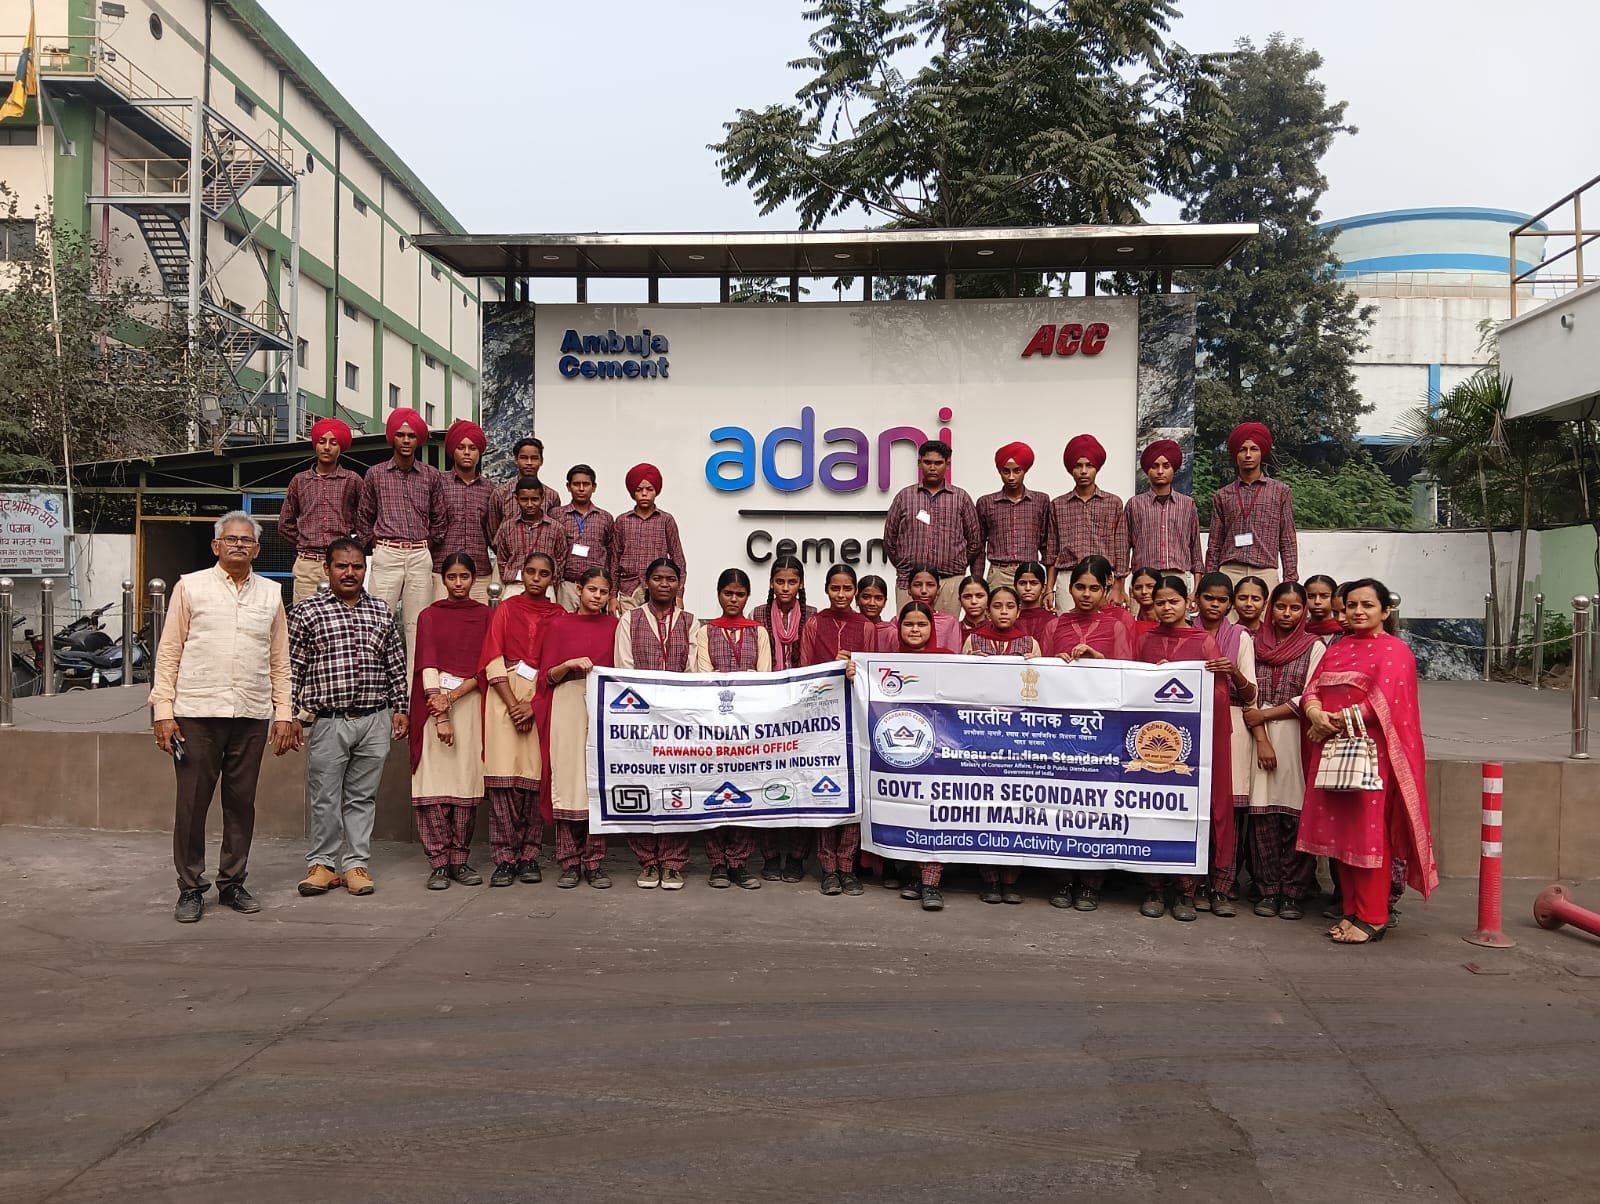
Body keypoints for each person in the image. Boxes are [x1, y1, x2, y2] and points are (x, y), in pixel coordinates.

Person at [151, 511, 299, 923]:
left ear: (256, 548)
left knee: (241, 803)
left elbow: (280, 660)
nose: (238, 545)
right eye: (230, 539)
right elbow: (168, 653)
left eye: (246, 540)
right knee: (192, 804)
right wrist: (163, 712)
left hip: (251, 713)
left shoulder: (271, 594)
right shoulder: (190, 587)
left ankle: (232, 882)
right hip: (197, 712)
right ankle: (191, 887)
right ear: (216, 546)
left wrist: (283, 713)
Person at [1298, 578, 1437, 945]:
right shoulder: (1338, 648)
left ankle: (1373, 916)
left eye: (1367, 606)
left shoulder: (1395, 651)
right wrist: (1314, 711)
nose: (1358, 612)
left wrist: (1331, 721)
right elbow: (1312, 688)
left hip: (1371, 757)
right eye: (1352, 606)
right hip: (1332, 752)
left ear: (1385, 611)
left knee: (1368, 835)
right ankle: (1352, 910)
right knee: (1341, 833)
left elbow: (1382, 703)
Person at [289, 537, 410, 899]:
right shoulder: (307, 612)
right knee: (324, 796)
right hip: (329, 720)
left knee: (362, 797)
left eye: (357, 566)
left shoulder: (381, 611)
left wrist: (400, 708)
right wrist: (290, 715)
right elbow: (293, 668)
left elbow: (396, 665)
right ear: (327, 569)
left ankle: (356, 864)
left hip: (374, 719)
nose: (350, 572)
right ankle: (322, 865)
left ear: (365, 569)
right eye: (341, 566)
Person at [1136, 576, 1235, 922]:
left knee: (1189, 813)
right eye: (1160, 602)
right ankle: (1153, 887)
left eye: (1173, 602)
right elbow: (1129, 686)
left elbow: (1218, 695)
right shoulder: (1144, 640)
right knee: (1154, 811)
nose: (1166, 608)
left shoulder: (1204, 641)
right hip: (1152, 744)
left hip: (1192, 746)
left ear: (1187, 602)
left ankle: (1186, 891)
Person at [1040, 556, 1131, 913]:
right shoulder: (1055, 625)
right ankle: (1062, 878)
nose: (1086, 594)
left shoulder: (1118, 626)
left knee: (1095, 804)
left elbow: (1129, 678)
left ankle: (1092, 883)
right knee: (1061, 802)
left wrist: (1098, 660)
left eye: (1095, 588)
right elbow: (1040, 677)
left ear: (1107, 589)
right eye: (1080, 587)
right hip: (1061, 729)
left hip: (1103, 731)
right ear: (1068, 588)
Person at [1243, 581, 1326, 919]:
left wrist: (1263, 714)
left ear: (1303, 610)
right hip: (1257, 736)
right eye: (1281, 607)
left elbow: (1311, 694)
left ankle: (1293, 892)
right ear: (1270, 609)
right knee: (1261, 814)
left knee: (1294, 813)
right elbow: (1249, 694)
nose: (1287, 614)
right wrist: (1261, 731)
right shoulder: (1252, 643)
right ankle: (1267, 889)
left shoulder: (1314, 646)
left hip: (1298, 736)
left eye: (1294, 608)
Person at [614, 557, 700, 888]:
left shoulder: (690, 621)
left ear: (679, 584)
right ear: (646, 583)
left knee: (678, 788)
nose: (664, 584)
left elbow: (692, 670)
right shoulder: (629, 620)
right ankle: (648, 861)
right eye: (658, 579)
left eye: (670, 579)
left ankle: (674, 861)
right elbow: (624, 669)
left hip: (678, 721)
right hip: (641, 721)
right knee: (645, 787)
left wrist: (676, 707)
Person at [409, 553, 490, 889]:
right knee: (434, 785)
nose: (459, 584)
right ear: (442, 579)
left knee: (464, 783)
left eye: (465, 577)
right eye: (452, 577)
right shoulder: (429, 615)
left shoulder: (486, 615)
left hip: (470, 704)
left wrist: (453, 698)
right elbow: (426, 661)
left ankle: (460, 860)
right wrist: (440, 713)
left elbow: (486, 666)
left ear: (474, 579)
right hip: (432, 706)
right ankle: (438, 862)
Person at [482, 553, 563, 887]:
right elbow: (491, 655)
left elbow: (558, 663)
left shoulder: (559, 615)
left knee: (532, 780)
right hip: (504, 697)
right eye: (530, 572)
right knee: (503, 780)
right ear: (521, 574)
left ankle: (530, 855)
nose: (535, 579)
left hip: (541, 698)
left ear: (552, 579)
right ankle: (504, 858)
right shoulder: (506, 609)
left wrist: (534, 704)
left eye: (544, 574)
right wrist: (514, 702)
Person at [537, 565, 619, 889]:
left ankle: (595, 862)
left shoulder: (615, 626)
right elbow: (547, 676)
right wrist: (569, 663)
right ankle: (569, 862)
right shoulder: (558, 626)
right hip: (567, 703)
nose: (597, 596)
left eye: (603, 591)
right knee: (568, 778)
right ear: (579, 590)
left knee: (596, 781)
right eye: (592, 590)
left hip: (602, 706)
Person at [692, 568, 771, 890]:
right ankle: (717, 863)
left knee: (745, 791)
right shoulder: (705, 632)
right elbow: (703, 674)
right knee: (714, 790)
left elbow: (765, 676)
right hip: (715, 724)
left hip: (749, 726)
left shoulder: (758, 632)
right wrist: (742, 676)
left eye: (739, 595)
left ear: (747, 597)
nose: (734, 600)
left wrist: (741, 680)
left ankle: (739, 862)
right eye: (728, 594)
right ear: (719, 595)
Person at [357, 406, 447, 671]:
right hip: (387, 552)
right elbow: (364, 516)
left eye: (411, 435)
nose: (406, 440)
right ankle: (377, 687)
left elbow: (439, 517)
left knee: (418, 627)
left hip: (419, 554)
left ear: (418, 439)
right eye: (400, 435)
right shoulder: (375, 474)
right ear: (392, 438)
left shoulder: (431, 475)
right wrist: (373, 542)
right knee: (378, 621)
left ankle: (413, 695)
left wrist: (429, 543)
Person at [803, 564, 873, 897]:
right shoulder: (815, 624)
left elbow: (875, 674)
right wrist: (831, 665)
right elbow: (804, 671)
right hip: (823, 720)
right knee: (824, 792)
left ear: (855, 592)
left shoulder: (868, 627)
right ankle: (827, 867)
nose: (841, 595)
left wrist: (856, 671)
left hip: (856, 720)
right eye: (835, 589)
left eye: (847, 589)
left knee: (853, 794)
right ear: (827, 590)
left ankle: (848, 866)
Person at [1193, 573, 1259, 911]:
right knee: (1194, 805)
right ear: (1197, 597)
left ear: (1229, 604)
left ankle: (1221, 885)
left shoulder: (1240, 636)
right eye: (1209, 599)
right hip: (1189, 725)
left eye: (1221, 600)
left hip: (1230, 723)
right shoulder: (1185, 628)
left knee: (1227, 809)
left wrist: (1232, 671)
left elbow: (1251, 693)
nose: (1215, 606)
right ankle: (1193, 883)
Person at [889, 602, 956, 911]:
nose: (915, 630)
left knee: (934, 813)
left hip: (941, 751)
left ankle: (931, 882)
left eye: (922, 624)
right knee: (907, 810)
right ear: (899, 629)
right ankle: (912, 876)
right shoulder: (885, 664)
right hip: (899, 752)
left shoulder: (948, 660)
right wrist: (853, 671)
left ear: (932, 629)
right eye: (908, 624)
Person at [882, 438, 982, 616]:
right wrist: (906, 566)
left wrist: (956, 563)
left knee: (947, 636)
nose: (933, 467)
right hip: (910, 582)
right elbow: (889, 540)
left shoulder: (961, 497)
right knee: (910, 634)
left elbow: (975, 540)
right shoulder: (904, 496)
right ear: (919, 463)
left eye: (938, 463)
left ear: (947, 464)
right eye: (928, 462)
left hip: (950, 581)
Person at [1204, 422, 1298, 588]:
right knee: (1228, 615)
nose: (1248, 455)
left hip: (1265, 570)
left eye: (1254, 449)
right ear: (1236, 454)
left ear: (1262, 452)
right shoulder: (1222, 495)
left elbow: (1287, 539)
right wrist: (1210, 579)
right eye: (1242, 449)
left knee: (1265, 615)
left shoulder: (1280, 491)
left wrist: (1290, 580)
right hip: (1230, 571)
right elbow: (1215, 544)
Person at [279, 418, 362, 604]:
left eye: (333, 443)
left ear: (340, 448)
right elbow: (285, 523)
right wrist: (304, 540)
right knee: (304, 615)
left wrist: (350, 545)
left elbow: (364, 519)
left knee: (340, 616)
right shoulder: (300, 481)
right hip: (307, 564)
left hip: (340, 564)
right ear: (315, 445)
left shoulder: (352, 480)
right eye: (322, 441)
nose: (327, 447)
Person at [1046, 434, 1128, 611]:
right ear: (1071, 469)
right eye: (1078, 466)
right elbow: (1051, 551)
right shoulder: (1058, 505)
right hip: (1069, 578)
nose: (1083, 471)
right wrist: (1048, 589)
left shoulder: (1113, 503)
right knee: (1067, 631)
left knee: (1102, 632)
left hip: (1103, 579)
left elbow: (1121, 548)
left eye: (1089, 465)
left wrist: (1118, 586)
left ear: (1096, 468)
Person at [1124, 439, 1203, 588]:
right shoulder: (1134, 504)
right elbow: (1123, 548)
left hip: (1177, 577)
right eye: (1155, 466)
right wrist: (1119, 585)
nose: (1160, 471)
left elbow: (1195, 548)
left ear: (1174, 469)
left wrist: (1197, 586)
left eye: (1166, 466)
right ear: (1147, 470)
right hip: (1143, 579)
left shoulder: (1187, 504)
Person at [434, 420, 496, 604]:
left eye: (472, 447)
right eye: (461, 447)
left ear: (480, 452)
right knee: (444, 625)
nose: (467, 452)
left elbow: (493, 533)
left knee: (479, 627)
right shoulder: (438, 483)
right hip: (442, 573)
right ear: (453, 450)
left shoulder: (490, 489)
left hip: (479, 572)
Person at [611, 463, 687, 613]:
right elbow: (614, 561)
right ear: (632, 492)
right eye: (639, 490)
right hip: (628, 590)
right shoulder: (622, 521)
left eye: (649, 489)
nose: (644, 494)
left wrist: (679, 594)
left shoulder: (666, 520)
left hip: (659, 589)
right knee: (630, 630)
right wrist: (612, 596)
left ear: (656, 491)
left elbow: (678, 560)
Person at [976, 441, 1050, 590]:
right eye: (1006, 471)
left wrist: (1048, 584)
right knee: (999, 612)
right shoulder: (986, 502)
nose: (1011, 477)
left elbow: (1046, 545)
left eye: (1017, 471)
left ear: (1025, 470)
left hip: (1031, 573)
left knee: (1032, 613)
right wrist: (977, 581)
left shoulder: (1041, 500)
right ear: (999, 472)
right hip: (999, 573)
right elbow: (979, 546)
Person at [492, 477, 571, 598]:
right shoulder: (507, 527)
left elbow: (560, 559)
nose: (529, 504)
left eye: (534, 499)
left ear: (542, 499)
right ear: (516, 499)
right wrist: (510, 575)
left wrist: (550, 580)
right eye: (524, 499)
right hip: (514, 586)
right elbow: (502, 559)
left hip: (545, 588)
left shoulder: (556, 528)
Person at [555, 464, 614, 611]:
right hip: (567, 585)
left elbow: (611, 555)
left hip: (596, 588)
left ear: (594, 487)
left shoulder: (605, 518)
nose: (581, 489)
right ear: (568, 487)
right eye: (576, 484)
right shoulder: (557, 515)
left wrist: (611, 592)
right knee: (566, 626)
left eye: (586, 484)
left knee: (593, 629)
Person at [489, 437, 564, 537]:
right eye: (524, 458)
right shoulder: (500, 494)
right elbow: (493, 532)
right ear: (516, 460)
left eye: (534, 458)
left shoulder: (552, 496)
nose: (529, 463)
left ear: (541, 461)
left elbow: (555, 531)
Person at [752, 554, 813, 674]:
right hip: (770, 685)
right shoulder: (756, 614)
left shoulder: (813, 615)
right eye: (780, 582)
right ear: (771, 583)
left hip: (802, 685)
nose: (785, 588)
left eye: (792, 582)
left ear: (801, 584)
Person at [963, 586, 1040, 657]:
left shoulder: (1030, 643)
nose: (1004, 611)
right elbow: (962, 670)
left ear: (1018, 612)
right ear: (988, 612)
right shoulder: (973, 641)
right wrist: (970, 660)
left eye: (1010, 607)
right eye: (997, 606)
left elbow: (1038, 671)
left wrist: (1033, 662)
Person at [902, 564, 964, 652]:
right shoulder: (897, 622)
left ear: (938, 590)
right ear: (908, 589)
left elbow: (953, 658)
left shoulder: (949, 623)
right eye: (917, 585)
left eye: (930, 585)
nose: (924, 590)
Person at [1012, 561, 1054, 644]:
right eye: (1022, 583)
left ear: (1043, 588)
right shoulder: (1009, 618)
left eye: (1034, 583)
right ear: (1015, 587)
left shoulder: (1051, 620)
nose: (1028, 588)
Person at [856, 574, 895, 649]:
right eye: (866, 597)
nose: (872, 603)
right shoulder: (849, 629)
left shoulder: (891, 633)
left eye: (878, 598)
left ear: (884, 602)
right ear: (857, 599)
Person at [957, 574, 991, 646]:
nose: (974, 601)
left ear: (989, 599)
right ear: (960, 601)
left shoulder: (996, 629)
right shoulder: (953, 630)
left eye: (979, 596)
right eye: (967, 597)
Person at [1127, 567, 1162, 638]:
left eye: (1150, 587)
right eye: (1138, 588)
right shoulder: (1127, 626)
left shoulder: (1171, 625)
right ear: (1132, 592)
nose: (1144, 592)